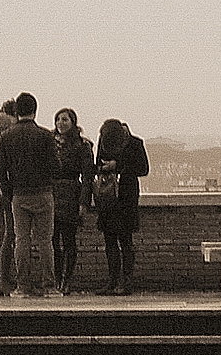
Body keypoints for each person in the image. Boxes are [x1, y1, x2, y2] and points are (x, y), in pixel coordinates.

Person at [0, 92, 60, 298]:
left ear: (17, 112)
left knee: (21, 240)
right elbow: (55, 167)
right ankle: (49, 286)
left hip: (19, 195)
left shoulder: (6, 137)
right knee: (45, 241)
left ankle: (23, 286)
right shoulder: (46, 135)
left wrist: (9, 190)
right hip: (43, 193)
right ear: (35, 110)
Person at [94, 119, 150, 296]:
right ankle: (112, 281)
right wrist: (104, 168)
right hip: (108, 197)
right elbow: (97, 164)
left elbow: (143, 169)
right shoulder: (103, 141)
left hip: (126, 196)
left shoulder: (135, 143)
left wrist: (118, 166)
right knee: (110, 241)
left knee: (126, 241)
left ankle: (127, 281)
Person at [52, 108, 94, 294]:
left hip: (71, 195)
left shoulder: (82, 146)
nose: (61, 123)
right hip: (51, 194)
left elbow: (87, 177)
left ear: (73, 122)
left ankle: (66, 279)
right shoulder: (50, 142)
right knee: (53, 241)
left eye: (65, 120)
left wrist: (84, 203)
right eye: (58, 120)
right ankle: (56, 278)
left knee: (68, 241)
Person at [0, 98, 19, 296]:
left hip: (6, 192)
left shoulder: (3, 132)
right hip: (15, 192)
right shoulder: (11, 133)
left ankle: (5, 278)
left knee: (10, 235)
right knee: (14, 235)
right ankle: (7, 278)